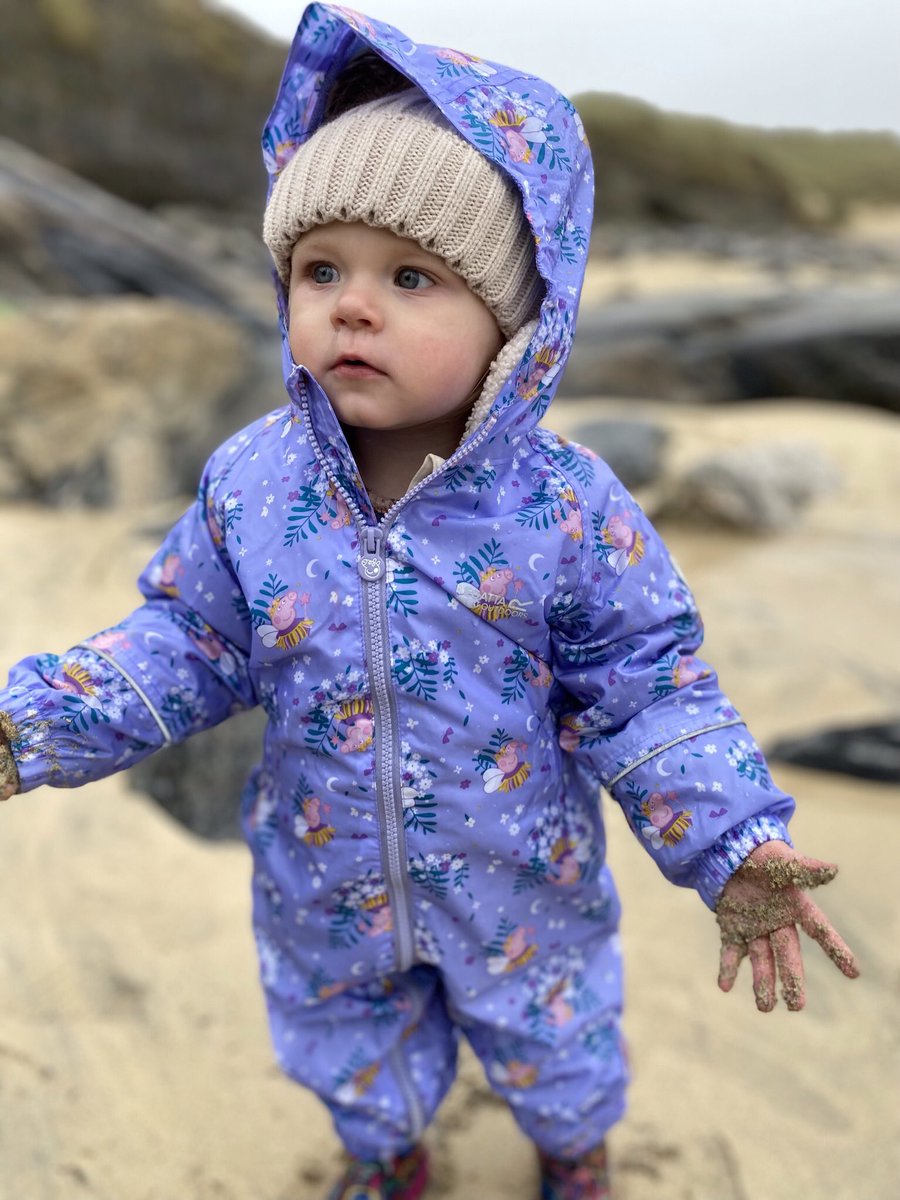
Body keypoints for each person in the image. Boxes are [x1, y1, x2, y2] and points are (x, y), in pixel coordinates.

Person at [0, 7, 858, 1200]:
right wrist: (35, 720)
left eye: (412, 276)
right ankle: (389, 1153)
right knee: (347, 1037)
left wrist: (729, 841)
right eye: (320, 270)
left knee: (555, 1033)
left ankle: (574, 1148)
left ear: (515, 324)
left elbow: (649, 688)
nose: (353, 306)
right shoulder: (255, 482)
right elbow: (188, 639)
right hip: (323, 870)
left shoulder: (567, 508)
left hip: (522, 878)